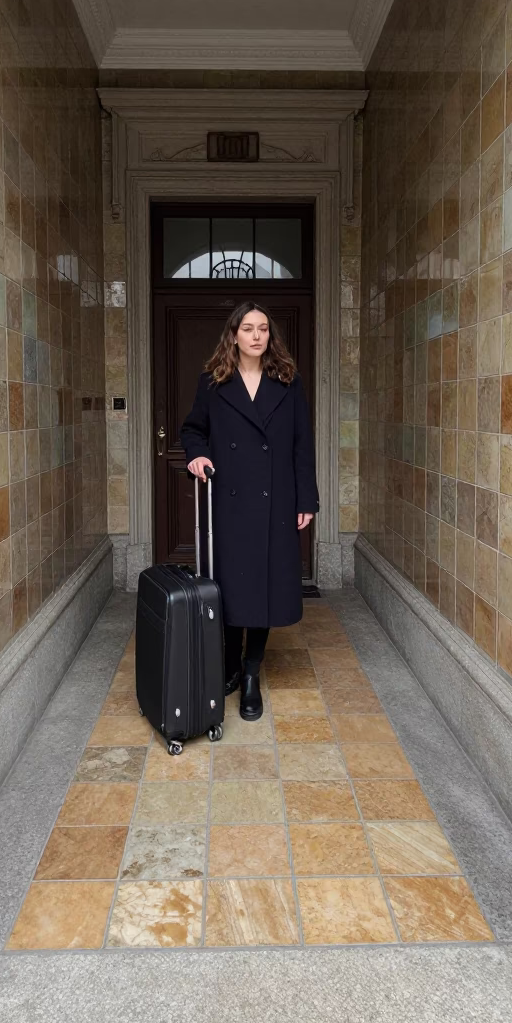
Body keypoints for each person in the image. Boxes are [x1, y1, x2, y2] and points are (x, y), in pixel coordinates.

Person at [180, 300, 319, 721]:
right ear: (234, 335)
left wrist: (306, 499)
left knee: (263, 588)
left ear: (269, 336)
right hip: (230, 500)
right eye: (247, 328)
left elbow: (301, 444)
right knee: (230, 586)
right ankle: (229, 665)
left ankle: (252, 673)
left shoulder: (288, 382)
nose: (257, 335)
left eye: (263, 329)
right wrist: (197, 456)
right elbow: (193, 429)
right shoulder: (214, 382)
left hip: (275, 500)